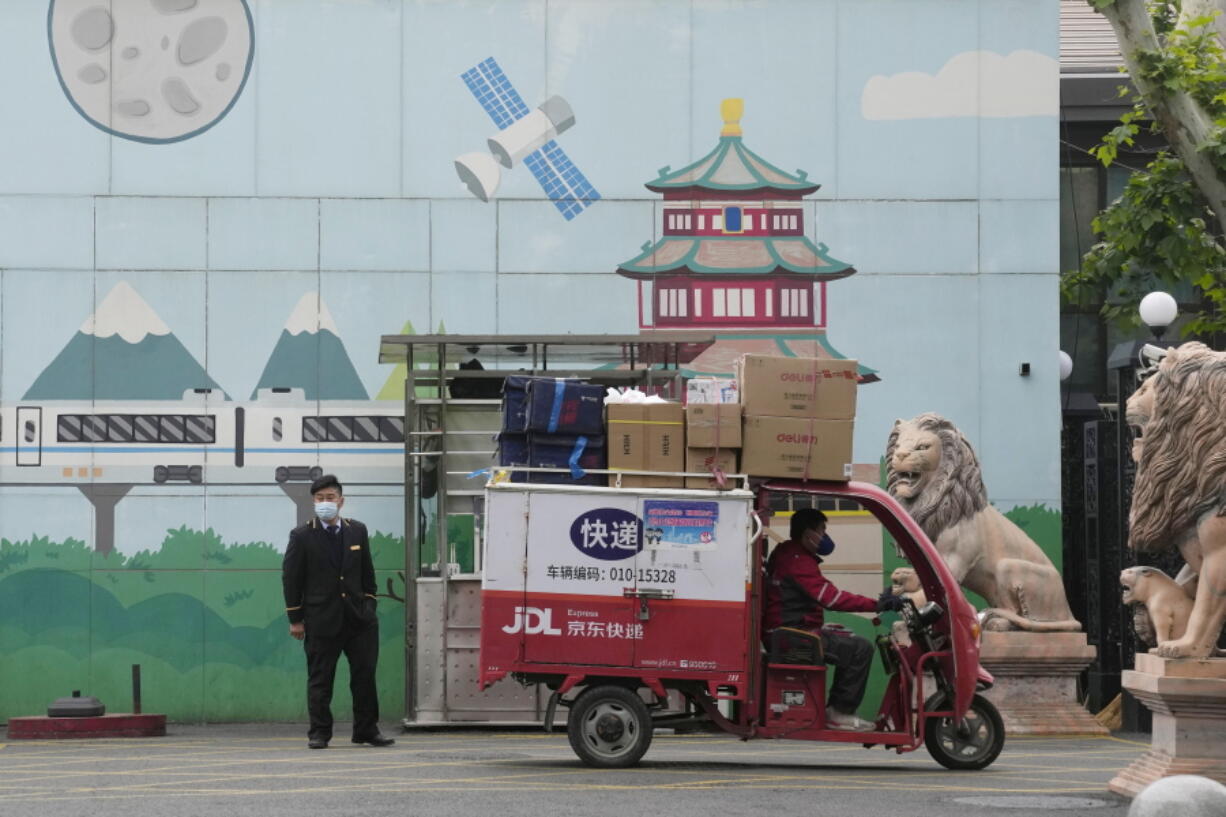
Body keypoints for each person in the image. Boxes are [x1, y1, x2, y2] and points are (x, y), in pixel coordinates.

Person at [763, 507, 904, 731]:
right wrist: (876, 604)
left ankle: (837, 711)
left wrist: (820, 625)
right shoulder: (798, 560)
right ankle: (839, 712)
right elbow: (831, 598)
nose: (825, 537)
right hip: (790, 636)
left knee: (845, 637)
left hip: (788, 631)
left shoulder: (788, 553)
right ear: (808, 533)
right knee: (860, 648)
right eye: (822, 530)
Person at [282, 474, 395, 749]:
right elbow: (291, 579)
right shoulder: (302, 535)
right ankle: (319, 733)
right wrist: (296, 619)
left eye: (330, 498)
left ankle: (366, 730)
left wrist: (369, 604)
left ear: (341, 501)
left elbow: (367, 572)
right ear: (313, 502)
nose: (325, 503)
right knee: (321, 679)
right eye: (320, 499)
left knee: (364, 676)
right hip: (322, 620)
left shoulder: (357, 531)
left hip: (360, 620)